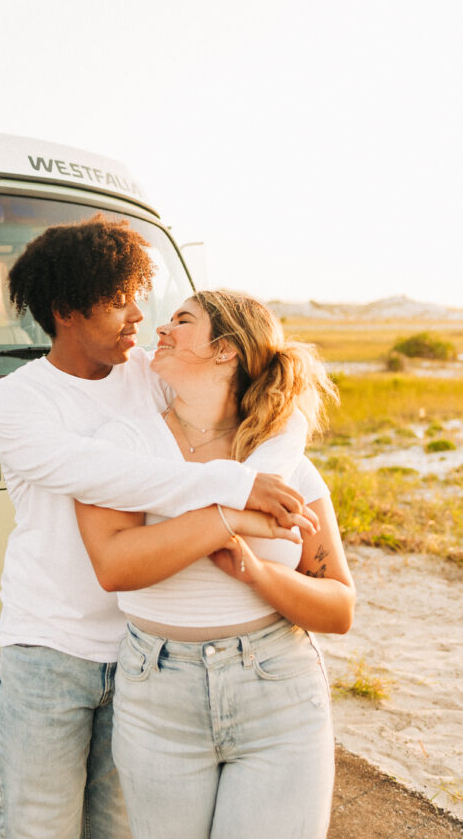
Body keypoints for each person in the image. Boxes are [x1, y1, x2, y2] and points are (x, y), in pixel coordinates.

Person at [0, 216, 319, 839]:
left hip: (147, 654)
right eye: (117, 302)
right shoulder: (15, 401)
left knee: (121, 831)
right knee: (39, 827)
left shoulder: (148, 375)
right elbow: (112, 475)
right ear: (66, 310)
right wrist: (236, 497)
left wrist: (263, 475)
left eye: (138, 295)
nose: (138, 315)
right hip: (51, 645)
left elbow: (276, 410)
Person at [76, 290, 355, 839]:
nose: (162, 329)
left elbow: (339, 607)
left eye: (182, 321)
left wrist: (259, 573)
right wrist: (228, 518)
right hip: (158, 694)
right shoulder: (123, 444)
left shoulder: (284, 462)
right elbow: (114, 566)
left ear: (226, 350)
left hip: (277, 687)